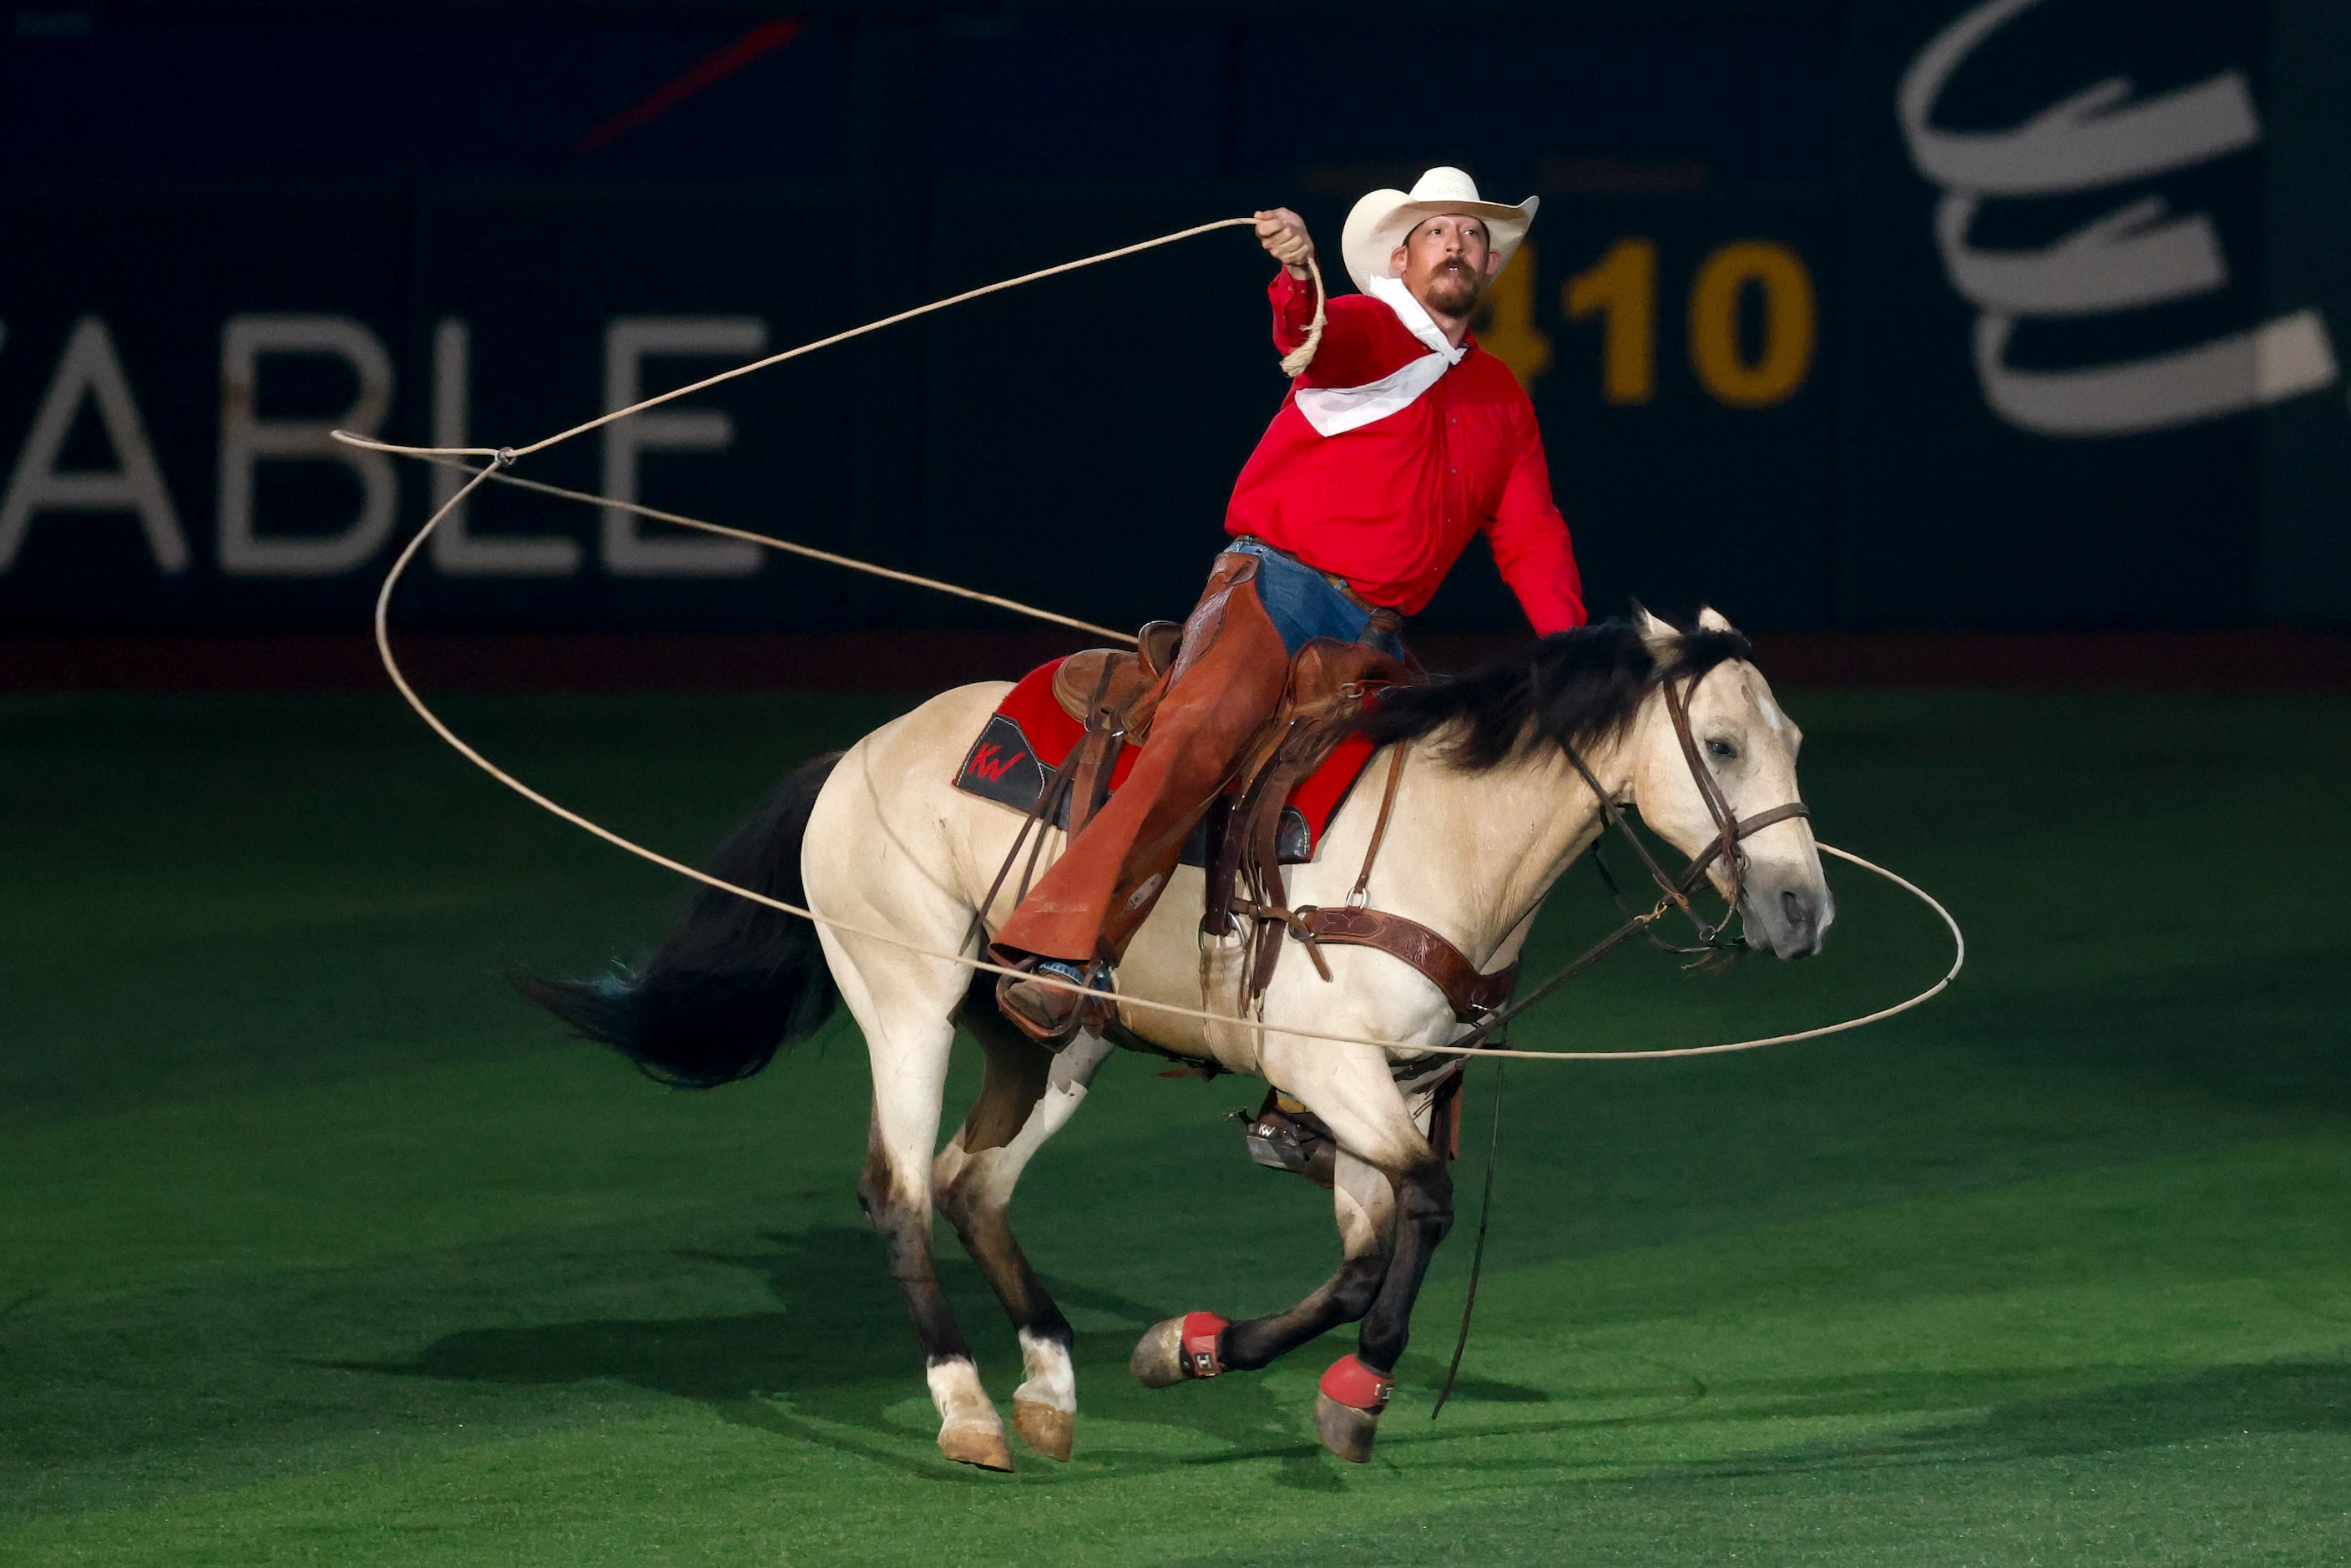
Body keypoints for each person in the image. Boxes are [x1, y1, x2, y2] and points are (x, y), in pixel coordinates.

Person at [990, 166, 1588, 1044]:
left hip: (1372, 641)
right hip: (1275, 593)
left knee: (1423, 803)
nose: (1457, 245)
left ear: (1488, 263)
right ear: (1399, 256)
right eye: (1438, 232)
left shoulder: (1501, 396)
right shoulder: (1374, 331)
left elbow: (1530, 534)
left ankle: (1332, 1074)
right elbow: (1311, 333)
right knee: (1195, 738)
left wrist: (1570, 654)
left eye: (1471, 235)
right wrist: (1298, 273)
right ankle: (1057, 950)